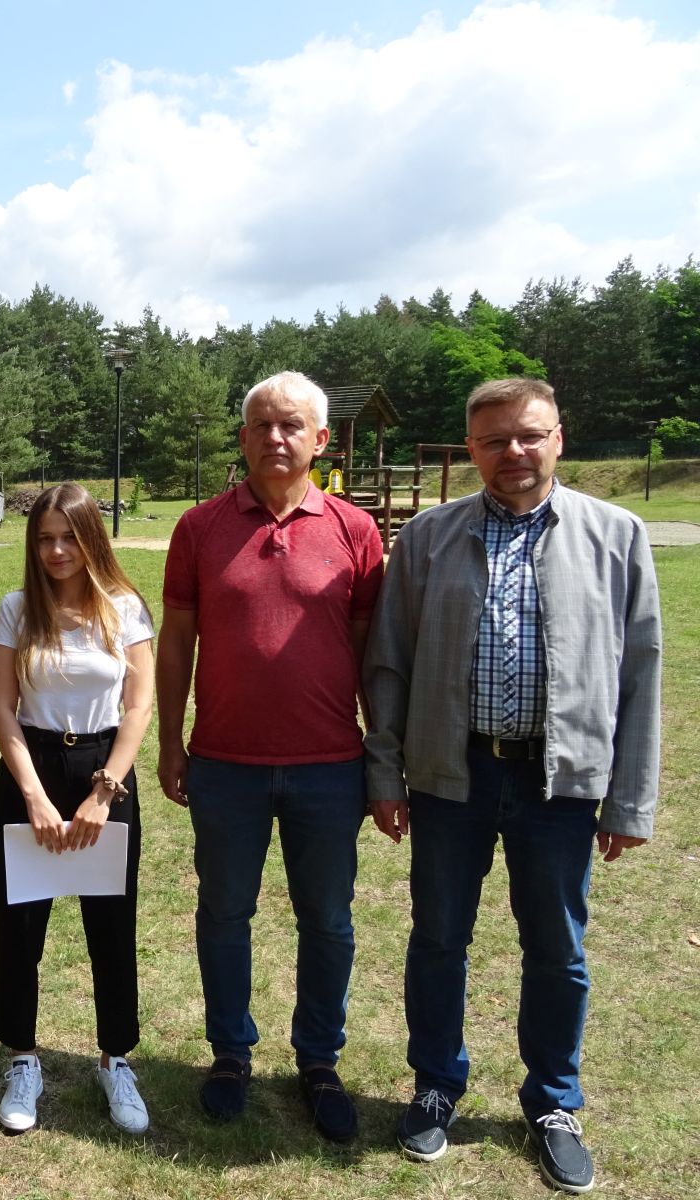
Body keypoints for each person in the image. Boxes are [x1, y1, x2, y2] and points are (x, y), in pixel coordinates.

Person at [364, 377, 661, 1193]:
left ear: (559, 437)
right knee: (438, 938)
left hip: (559, 783)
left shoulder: (616, 535)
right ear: (472, 449)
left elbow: (641, 670)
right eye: (494, 440)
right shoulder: (427, 538)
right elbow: (388, 662)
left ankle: (554, 1102)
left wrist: (629, 797)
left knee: (558, 948)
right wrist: (385, 771)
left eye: (529, 435)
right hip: (450, 774)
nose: (513, 452)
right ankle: (436, 1085)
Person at [156, 371, 383, 1142]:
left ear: (321, 440)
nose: (276, 438)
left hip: (330, 766)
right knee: (224, 913)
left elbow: (369, 654)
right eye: (262, 425)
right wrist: (170, 741)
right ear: (243, 437)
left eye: (292, 426)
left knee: (328, 920)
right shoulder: (199, 528)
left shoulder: (356, 530)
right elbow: (177, 642)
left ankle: (318, 1059)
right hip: (226, 765)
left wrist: (381, 759)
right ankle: (230, 1053)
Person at [0, 484, 155, 1135]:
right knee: (20, 929)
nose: (57, 551)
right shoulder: (16, 610)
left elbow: (138, 706)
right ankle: (23, 1059)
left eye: (69, 537)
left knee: (111, 930)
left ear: (91, 539)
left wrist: (104, 792)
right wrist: (31, 793)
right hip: (30, 770)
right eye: (45, 539)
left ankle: (115, 1060)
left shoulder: (125, 609)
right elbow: (3, 708)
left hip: (104, 772)